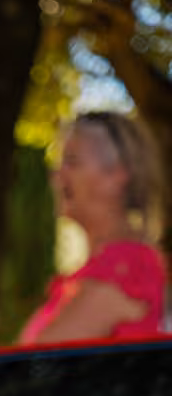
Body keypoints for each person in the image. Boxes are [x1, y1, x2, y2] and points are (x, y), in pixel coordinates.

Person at [19, 111, 166, 346]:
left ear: (118, 175)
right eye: (58, 163)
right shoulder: (99, 272)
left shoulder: (126, 269)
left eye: (72, 161)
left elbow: (33, 365)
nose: (56, 174)